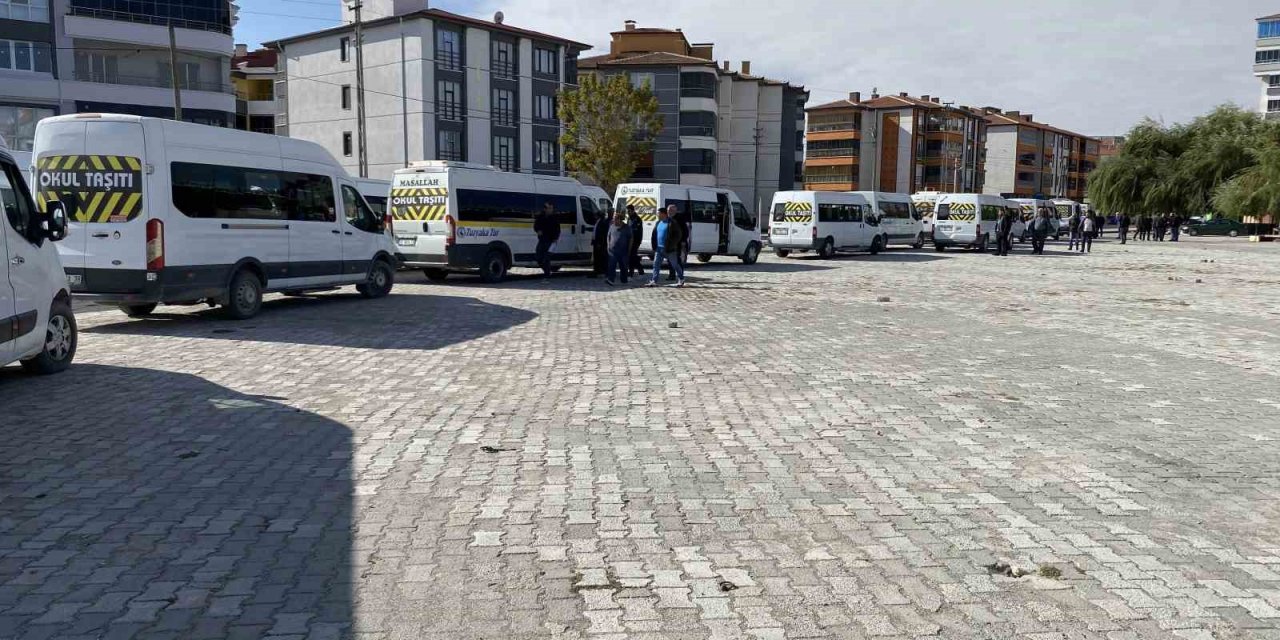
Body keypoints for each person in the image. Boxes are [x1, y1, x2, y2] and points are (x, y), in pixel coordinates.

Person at [649, 205, 686, 287]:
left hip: (669, 249)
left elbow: (678, 234)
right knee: (656, 264)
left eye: (659, 214)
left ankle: (681, 278)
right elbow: (654, 234)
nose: (657, 215)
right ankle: (654, 280)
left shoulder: (672, 223)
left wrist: (672, 244)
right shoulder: (658, 223)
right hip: (659, 249)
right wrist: (654, 245)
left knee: (675, 265)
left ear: (664, 214)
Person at [534, 202, 560, 277]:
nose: (550, 210)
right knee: (538, 257)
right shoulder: (540, 217)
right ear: (545, 209)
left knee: (546, 258)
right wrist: (538, 230)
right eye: (549, 208)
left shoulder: (554, 218)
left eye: (551, 208)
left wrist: (555, 238)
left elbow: (558, 229)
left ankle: (547, 273)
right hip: (542, 240)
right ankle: (546, 270)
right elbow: (536, 226)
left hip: (550, 241)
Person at [605, 212, 631, 285]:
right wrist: (608, 245)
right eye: (613, 219)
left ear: (620, 219)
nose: (613, 221)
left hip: (623, 251)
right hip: (612, 251)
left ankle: (624, 280)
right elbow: (608, 236)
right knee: (611, 265)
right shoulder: (612, 226)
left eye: (615, 219)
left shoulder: (626, 227)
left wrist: (629, 249)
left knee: (623, 266)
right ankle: (611, 279)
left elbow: (631, 238)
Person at [589, 205, 610, 277]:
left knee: (599, 257)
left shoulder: (602, 222)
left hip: (599, 243)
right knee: (596, 257)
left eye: (596, 215)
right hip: (596, 242)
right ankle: (596, 270)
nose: (595, 216)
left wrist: (599, 243)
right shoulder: (598, 222)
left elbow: (601, 234)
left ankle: (599, 271)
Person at [627, 205, 644, 277]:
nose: (628, 212)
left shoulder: (637, 219)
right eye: (627, 211)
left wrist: (638, 242)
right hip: (629, 241)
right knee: (632, 256)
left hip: (635, 241)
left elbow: (638, 231)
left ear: (633, 210)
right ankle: (640, 269)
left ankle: (631, 272)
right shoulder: (629, 219)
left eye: (629, 211)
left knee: (632, 256)